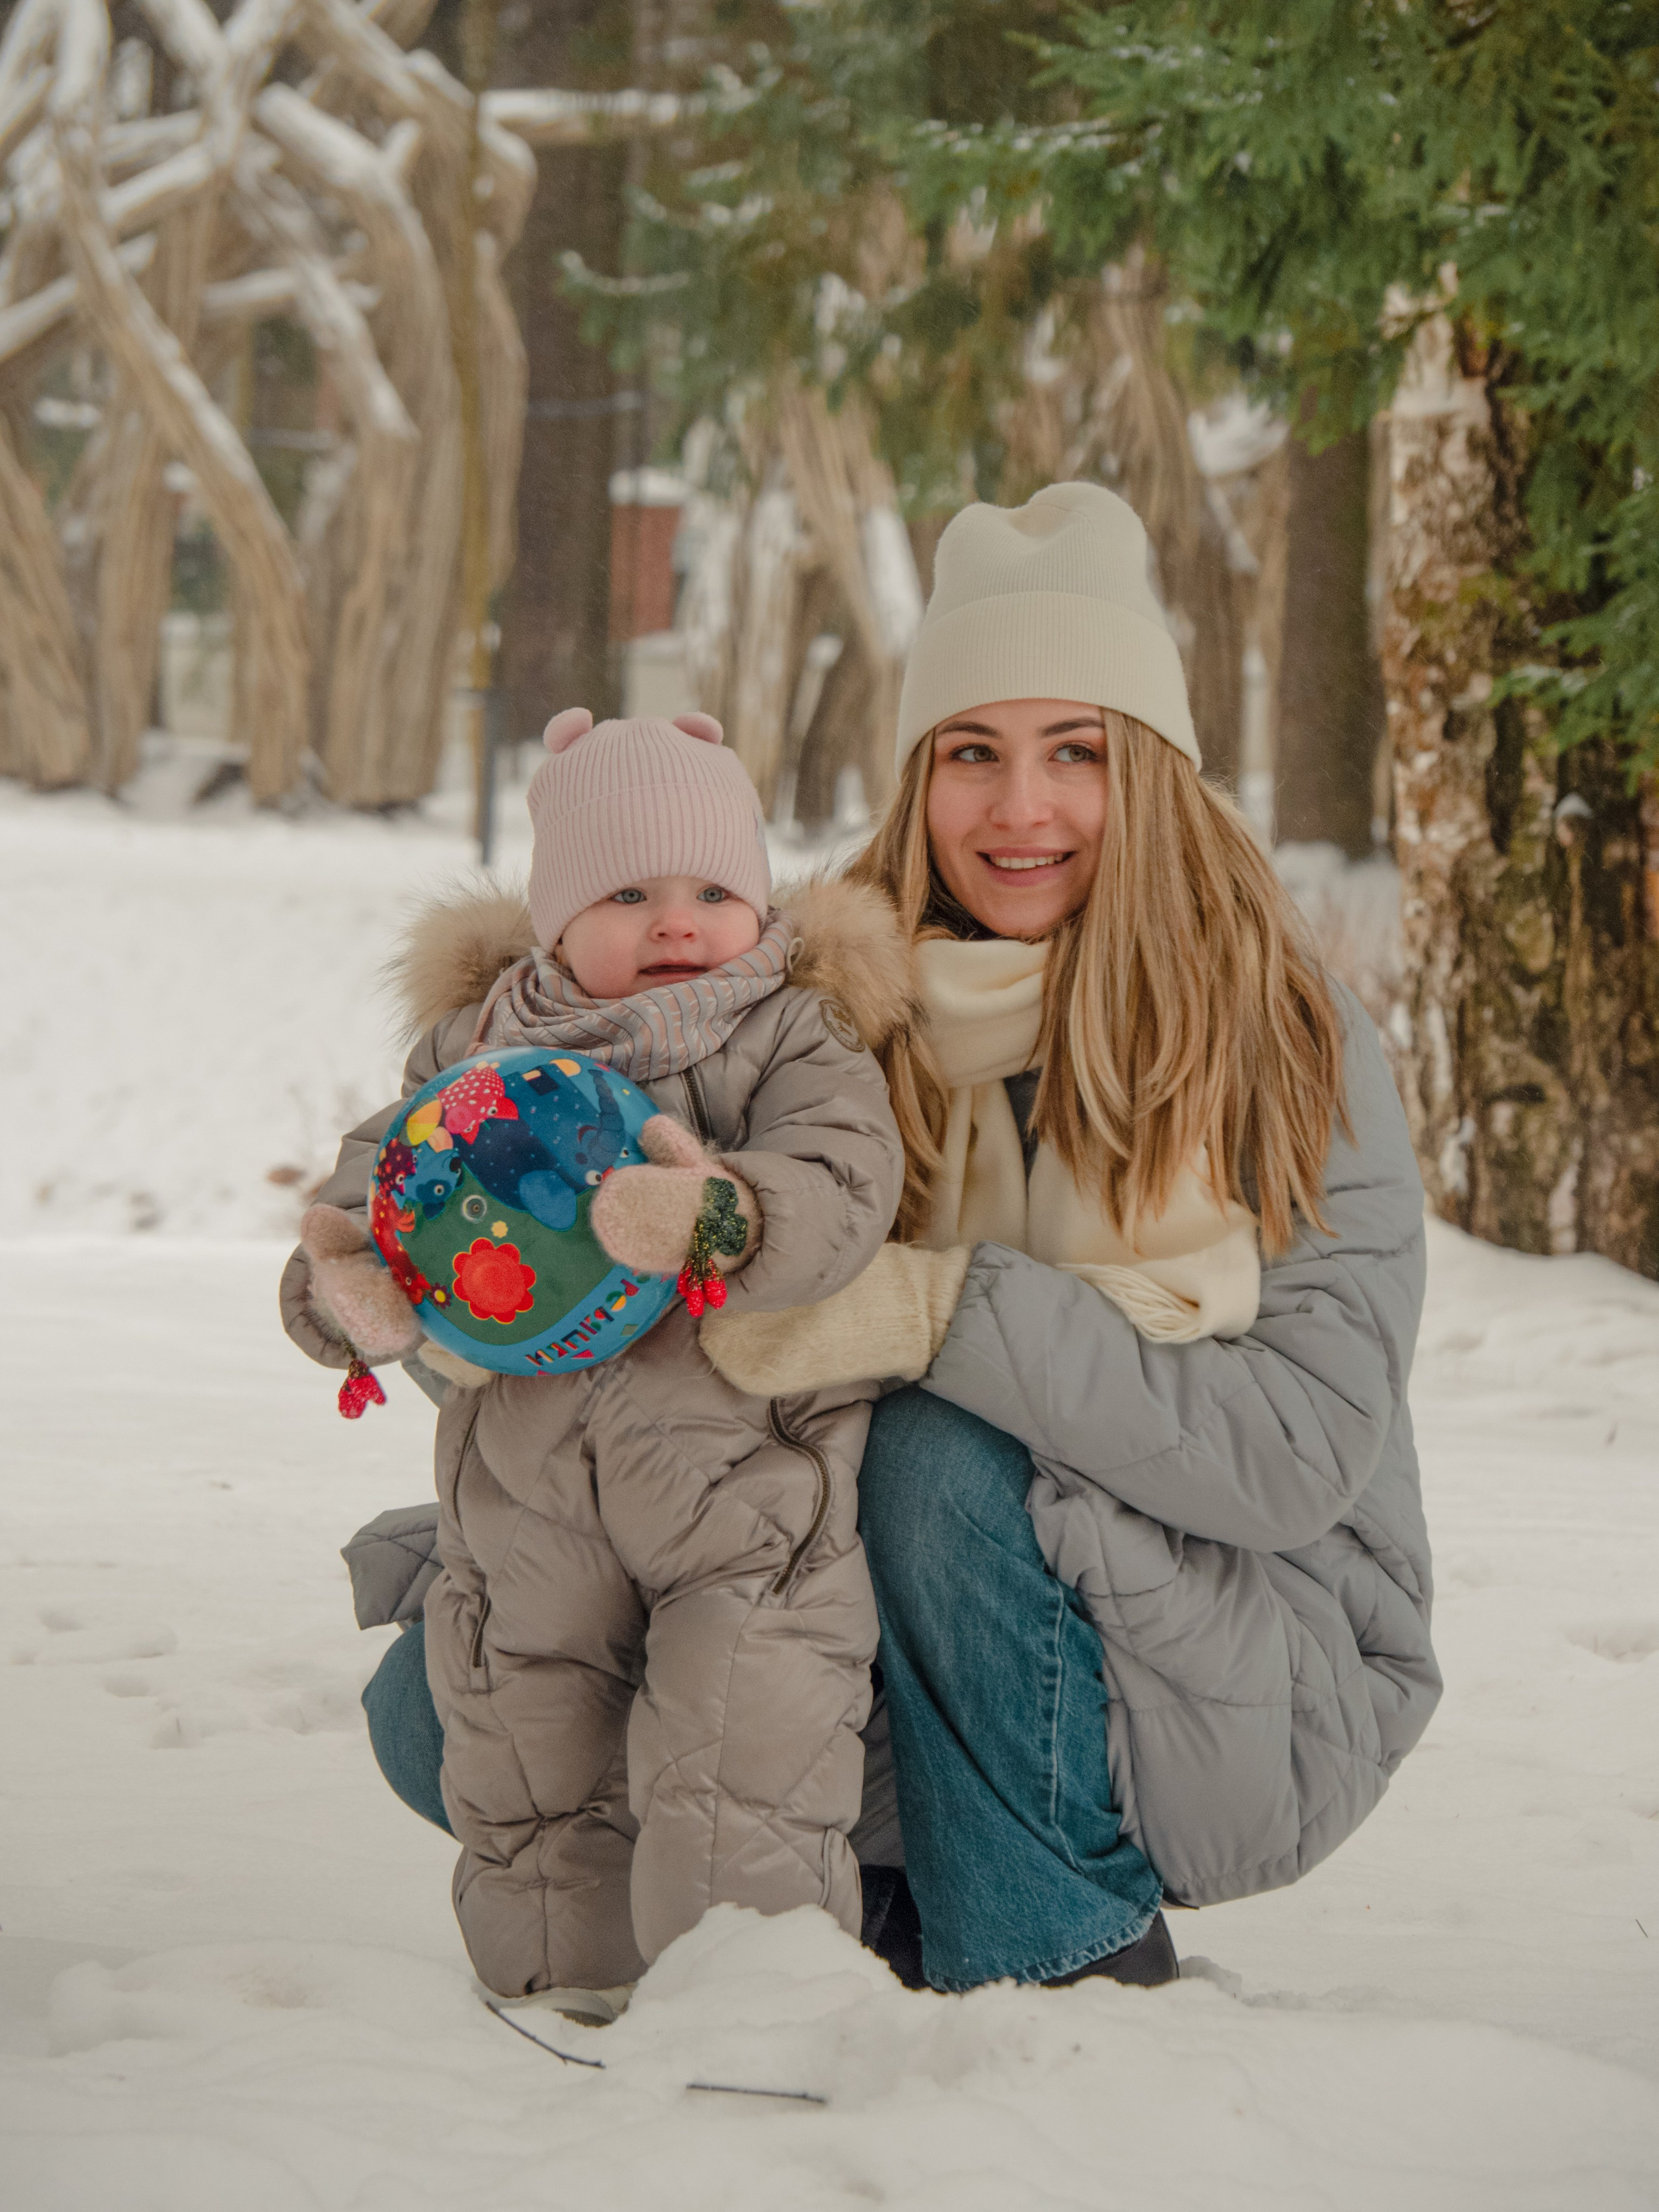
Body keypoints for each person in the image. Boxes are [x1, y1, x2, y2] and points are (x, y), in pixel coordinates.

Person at [701, 480, 1440, 1994]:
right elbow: (696, 1299)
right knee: (465, 1693)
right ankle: (887, 1900)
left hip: (1266, 1651)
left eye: (1074, 754)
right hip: (929, 1602)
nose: (1016, 809)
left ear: (1150, 772)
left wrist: (944, 1311)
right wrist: (475, 1273)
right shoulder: (837, 1014)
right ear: (918, 781)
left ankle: (1071, 1961)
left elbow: (1290, 1452)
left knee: (931, 1451)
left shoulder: (1283, 1037)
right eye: (970, 753)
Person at [281, 707, 909, 2019]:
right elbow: (380, 1182)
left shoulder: (787, 1034)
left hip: (741, 1483)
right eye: (628, 893)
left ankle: (746, 2003)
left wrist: (728, 1212)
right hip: (526, 1494)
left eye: (712, 890)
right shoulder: (472, 1059)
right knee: (528, 1743)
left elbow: (846, 1178)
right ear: (556, 920)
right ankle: (558, 1994)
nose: (678, 923)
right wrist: (352, 1287)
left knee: (741, 1745)